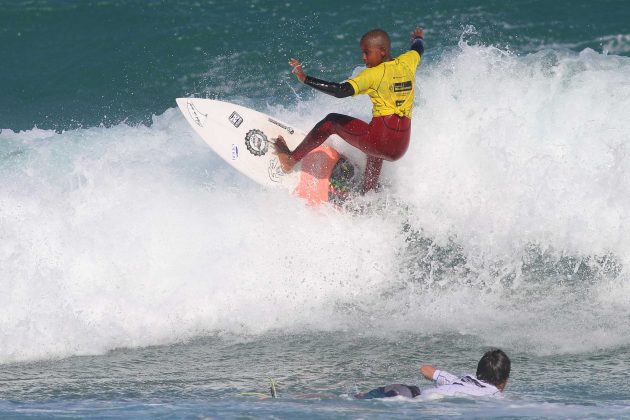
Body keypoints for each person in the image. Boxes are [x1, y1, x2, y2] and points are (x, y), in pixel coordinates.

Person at [274, 27, 425, 194]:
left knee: (331, 122)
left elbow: (340, 90)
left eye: (367, 52)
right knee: (375, 153)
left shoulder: (373, 74)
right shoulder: (407, 62)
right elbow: (418, 49)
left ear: (382, 51)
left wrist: (305, 79)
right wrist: (418, 38)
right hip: (400, 147)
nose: (363, 57)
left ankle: (290, 160)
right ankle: (368, 193)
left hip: (380, 142)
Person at [420, 349, 511, 397]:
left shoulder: (459, 381)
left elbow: (425, 369)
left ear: (478, 372)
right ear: (504, 381)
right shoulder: (495, 395)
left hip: (424, 395)